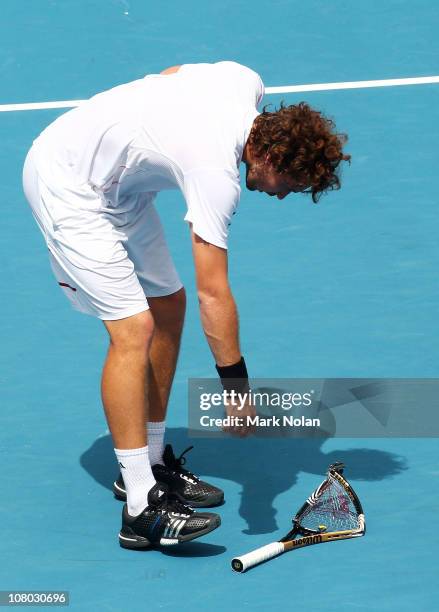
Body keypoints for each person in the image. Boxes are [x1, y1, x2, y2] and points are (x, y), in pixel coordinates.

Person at [22, 61, 350, 550]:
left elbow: (172, 72)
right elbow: (213, 292)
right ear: (272, 159)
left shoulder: (244, 80)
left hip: (123, 187)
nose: (283, 197)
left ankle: (151, 464)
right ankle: (139, 509)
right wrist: (236, 392)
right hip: (68, 183)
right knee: (133, 329)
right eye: (291, 186)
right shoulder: (214, 174)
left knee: (166, 307)